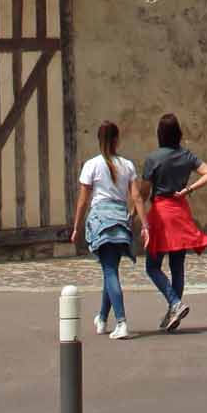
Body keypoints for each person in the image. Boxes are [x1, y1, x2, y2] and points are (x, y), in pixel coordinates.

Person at [71, 121, 146, 341]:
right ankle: (102, 318)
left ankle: (121, 321)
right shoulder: (127, 165)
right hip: (120, 220)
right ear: (117, 139)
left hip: (101, 220)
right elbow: (136, 197)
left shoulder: (91, 165)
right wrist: (145, 224)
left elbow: (83, 201)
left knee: (110, 271)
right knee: (110, 268)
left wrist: (76, 226)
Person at [140, 112, 207, 330]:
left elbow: (144, 192)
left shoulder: (153, 158)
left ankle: (175, 302)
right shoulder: (186, 156)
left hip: (161, 213)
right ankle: (174, 311)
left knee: (153, 266)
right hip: (180, 211)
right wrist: (188, 189)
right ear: (179, 133)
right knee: (177, 266)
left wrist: (134, 213)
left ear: (160, 134)